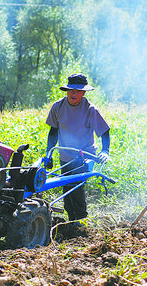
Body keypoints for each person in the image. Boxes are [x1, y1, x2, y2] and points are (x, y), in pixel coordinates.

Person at [45, 73, 111, 227]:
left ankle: (80, 220)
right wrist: (49, 153)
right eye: (71, 90)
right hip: (65, 154)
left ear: (83, 93)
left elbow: (104, 131)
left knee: (76, 187)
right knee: (66, 190)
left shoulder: (90, 110)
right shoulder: (58, 107)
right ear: (67, 91)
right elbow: (53, 132)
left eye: (78, 91)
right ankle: (71, 220)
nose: (74, 94)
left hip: (84, 155)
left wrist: (105, 151)